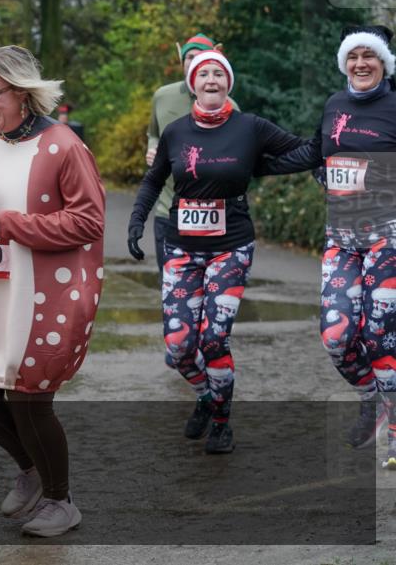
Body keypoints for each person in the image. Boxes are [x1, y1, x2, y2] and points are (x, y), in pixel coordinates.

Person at [0, 45, 105, 537]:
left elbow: (90, 220)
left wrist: (21, 226)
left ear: (23, 92)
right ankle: (32, 472)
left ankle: (60, 500)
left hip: (43, 293)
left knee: (30, 401)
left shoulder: (63, 146)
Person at [128, 49, 306, 454]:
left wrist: (334, 145)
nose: (211, 80)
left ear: (228, 83)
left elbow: (299, 149)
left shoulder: (250, 127)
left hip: (231, 247)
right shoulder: (176, 131)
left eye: (218, 74)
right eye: (203, 74)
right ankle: (209, 397)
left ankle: (222, 423)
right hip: (181, 248)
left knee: (213, 339)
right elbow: (153, 180)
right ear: (192, 84)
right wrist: (137, 220)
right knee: (178, 346)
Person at [256, 25, 396, 468]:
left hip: (387, 237)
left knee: (379, 335)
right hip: (341, 238)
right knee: (337, 337)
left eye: (369, 56)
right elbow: (316, 153)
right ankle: (372, 399)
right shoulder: (336, 104)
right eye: (352, 56)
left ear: (384, 62)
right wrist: (251, 164)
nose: (360, 63)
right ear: (343, 63)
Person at [146, 33, 238, 271]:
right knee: (171, 292)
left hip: (214, 218)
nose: (194, 63)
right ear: (182, 61)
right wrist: (152, 149)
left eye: (201, 58)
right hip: (169, 212)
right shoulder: (162, 96)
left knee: (211, 295)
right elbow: (153, 132)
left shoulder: (231, 107)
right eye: (190, 58)